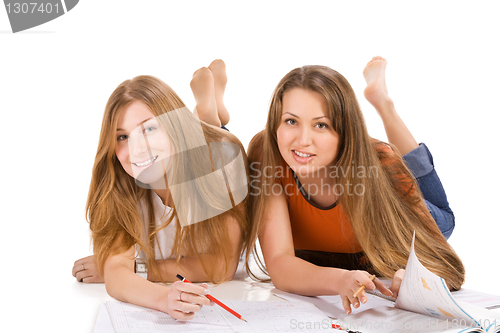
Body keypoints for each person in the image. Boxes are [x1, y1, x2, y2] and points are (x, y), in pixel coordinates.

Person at [245, 57, 465, 315]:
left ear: (346, 132)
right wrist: (339, 280)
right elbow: (280, 264)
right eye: (291, 121)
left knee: (443, 217)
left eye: (321, 125)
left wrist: (418, 280)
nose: (302, 140)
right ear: (275, 124)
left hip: (396, 207)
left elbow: (448, 266)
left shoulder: (381, 165)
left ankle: (384, 105)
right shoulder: (266, 153)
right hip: (345, 256)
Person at [72, 60, 250, 321]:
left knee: (213, 135)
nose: (137, 148)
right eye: (122, 137)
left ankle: (208, 111)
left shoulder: (221, 166)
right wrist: (163, 298)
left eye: (149, 129)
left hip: (210, 151)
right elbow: (115, 272)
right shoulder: (119, 186)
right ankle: (207, 111)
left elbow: (221, 266)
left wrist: (138, 268)